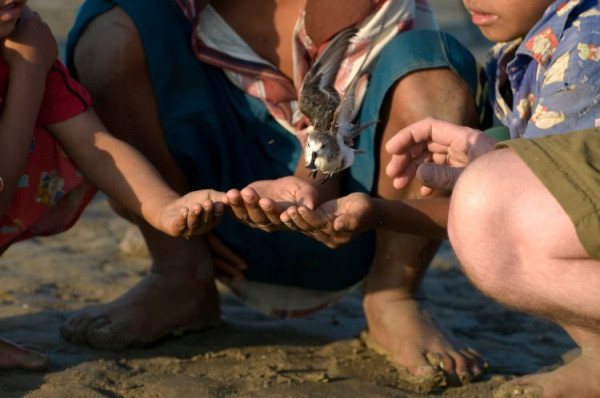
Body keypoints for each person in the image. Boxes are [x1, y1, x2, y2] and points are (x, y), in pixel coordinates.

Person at [63, 0, 491, 390]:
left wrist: (304, 190)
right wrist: (180, 216)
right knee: (110, 32)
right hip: (209, 225)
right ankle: (178, 274)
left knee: (432, 63)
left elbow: (331, 134)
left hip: (361, 215)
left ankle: (395, 294)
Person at [0, 3, 226, 370]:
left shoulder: (19, 45)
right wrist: (28, 73)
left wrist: (164, 207)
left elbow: (96, 146)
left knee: (62, 138)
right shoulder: (27, 54)